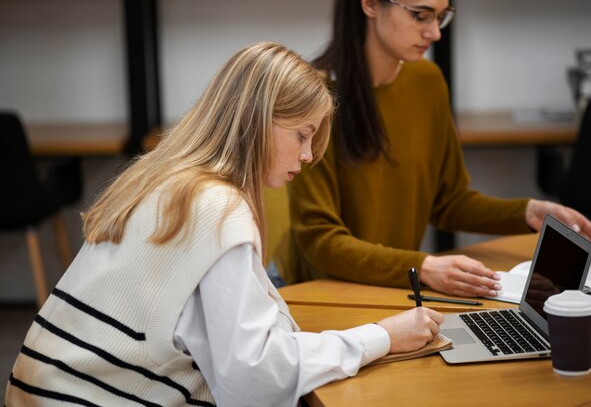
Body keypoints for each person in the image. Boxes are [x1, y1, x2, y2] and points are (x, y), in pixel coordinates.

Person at [4, 42, 445, 407]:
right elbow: (253, 381)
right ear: (257, 120)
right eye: (301, 135)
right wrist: (381, 337)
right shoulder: (218, 206)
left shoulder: (169, 177)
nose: (308, 156)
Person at [274, 0, 591, 297]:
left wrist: (529, 211)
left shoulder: (427, 81)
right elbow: (321, 240)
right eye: (421, 15)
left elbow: (448, 202)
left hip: (394, 286)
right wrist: (426, 266)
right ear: (370, 3)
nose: (435, 33)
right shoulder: (316, 97)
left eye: (441, 17)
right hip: (318, 291)